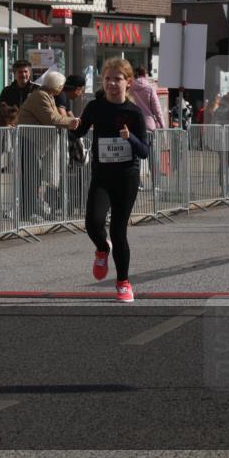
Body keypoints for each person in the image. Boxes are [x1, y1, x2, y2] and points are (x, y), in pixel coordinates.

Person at [72, 58, 150, 303]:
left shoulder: (134, 113)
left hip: (126, 176)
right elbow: (79, 132)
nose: (112, 83)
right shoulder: (95, 107)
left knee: (118, 231)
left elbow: (144, 151)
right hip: (102, 175)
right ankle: (102, 249)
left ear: (128, 83)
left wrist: (129, 139)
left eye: (117, 79)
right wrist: (72, 124)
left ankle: (123, 283)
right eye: (107, 78)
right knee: (93, 223)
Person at [18, 72, 82, 220]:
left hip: (34, 140)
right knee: (31, 177)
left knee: (34, 176)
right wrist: (70, 122)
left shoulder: (46, 95)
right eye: (61, 85)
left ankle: (31, 209)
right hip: (29, 139)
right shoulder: (41, 96)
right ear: (57, 86)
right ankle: (27, 211)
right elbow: (50, 118)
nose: (61, 88)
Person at [129, 67, 165, 132]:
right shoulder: (150, 88)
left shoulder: (129, 88)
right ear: (146, 75)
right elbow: (157, 109)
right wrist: (162, 126)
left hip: (132, 125)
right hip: (148, 125)